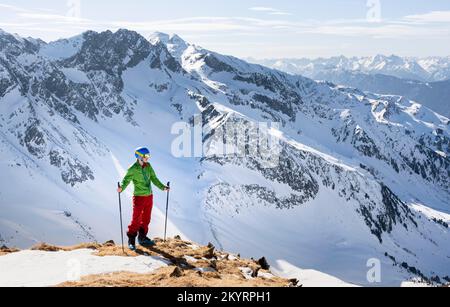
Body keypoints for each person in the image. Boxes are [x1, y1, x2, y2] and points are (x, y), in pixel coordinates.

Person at [117, 147, 169, 250]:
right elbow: (126, 180)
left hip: (149, 196)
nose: (148, 158)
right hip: (139, 197)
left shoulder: (148, 166)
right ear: (139, 156)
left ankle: (142, 238)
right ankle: (131, 240)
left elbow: (154, 178)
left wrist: (163, 187)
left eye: (148, 156)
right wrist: (121, 188)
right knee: (136, 219)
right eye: (146, 156)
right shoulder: (133, 169)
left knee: (146, 218)